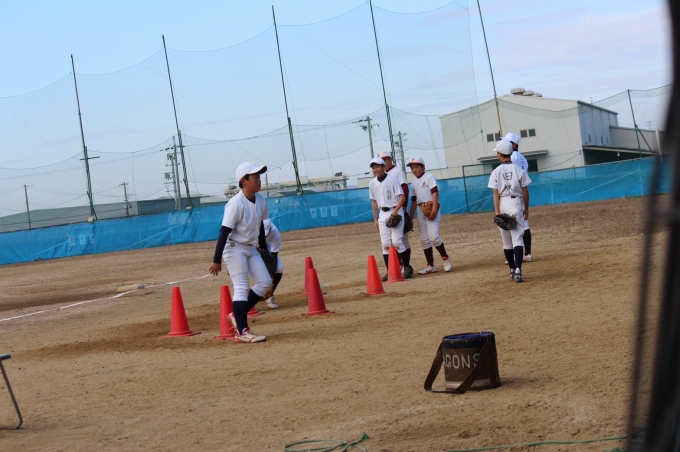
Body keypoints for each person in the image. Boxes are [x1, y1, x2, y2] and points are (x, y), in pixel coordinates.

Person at [209, 162, 272, 343]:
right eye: (255, 177)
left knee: (265, 282)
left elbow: (260, 225)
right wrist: (217, 260)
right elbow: (224, 231)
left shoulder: (261, 200)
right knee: (242, 288)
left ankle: (237, 315)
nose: (259, 180)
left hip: (250, 247)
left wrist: (263, 248)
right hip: (234, 248)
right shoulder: (236, 203)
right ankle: (242, 331)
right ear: (243, 180)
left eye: (259, 177)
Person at [488, 140, 532, 283]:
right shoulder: (518, 169)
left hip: (503, 203)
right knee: (517, 238)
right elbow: (525, 191)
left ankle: (512, 270)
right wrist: (526, 208)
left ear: (500, 154)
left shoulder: (496, 171)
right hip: (516, 203)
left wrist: (497, 211)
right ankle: (518, 270)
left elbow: (495, 193)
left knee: (506, 242)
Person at [368, 156, 413, 280]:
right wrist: (375, 219)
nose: (375, 169)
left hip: (395, 210)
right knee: (386, 244)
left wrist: (395, 212)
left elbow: (402, 197)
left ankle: (407, 267)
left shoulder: (392, 179)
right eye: (373, 167)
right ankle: (390, 271)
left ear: (383, 167)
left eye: (377, 166)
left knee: (397, 241)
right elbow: (374, 201)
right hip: (382, 214)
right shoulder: (372, 183)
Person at [406, 157, 452, 274]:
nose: (414, 170)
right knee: (424, 239)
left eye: (416, 167)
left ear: (423, 167)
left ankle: (445, 258)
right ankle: (431, 265)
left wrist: (434, 210)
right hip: (421, 210)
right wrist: (410, 218)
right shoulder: (414, 183)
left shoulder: (429, 177)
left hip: (431, 207)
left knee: (434, 237)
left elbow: (435, 193)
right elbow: (414, 201)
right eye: (412, 168)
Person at [504, 132, 533, 262]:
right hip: (522, 190)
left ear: (514, 145)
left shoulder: (512, 156)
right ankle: (528, 253)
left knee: (513, 223)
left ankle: (516, 254)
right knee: (524, 223)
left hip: (514, 192)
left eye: (508, 142)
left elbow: (512, 174)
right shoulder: (523, 158)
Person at [262, 218, 283, 309]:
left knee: (279, 268)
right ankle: (243, 299)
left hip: (265, 247)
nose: (265, 235)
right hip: (249, 248)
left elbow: (273, 257)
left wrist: (271, 282)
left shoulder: (274, 232)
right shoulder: (250, 230)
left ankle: (269, 295)